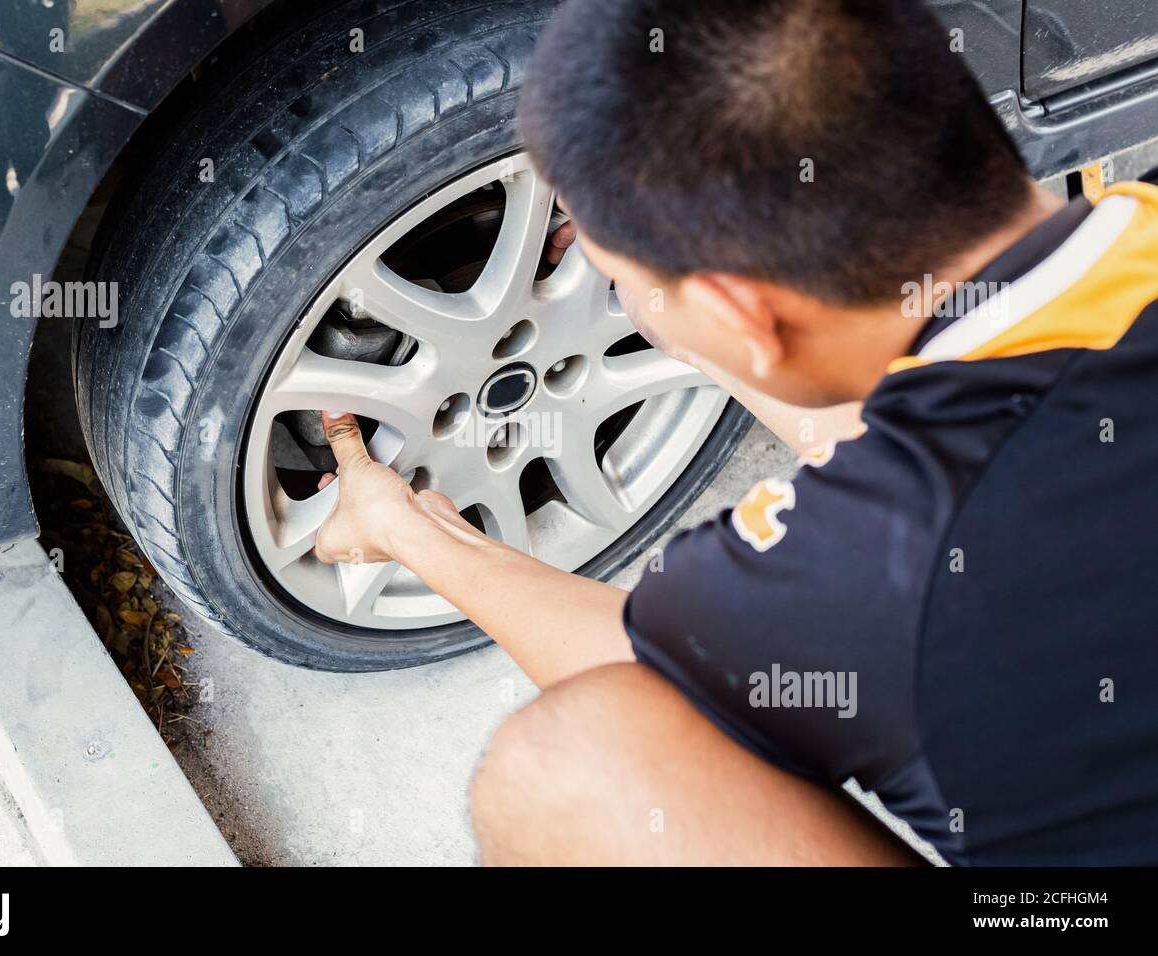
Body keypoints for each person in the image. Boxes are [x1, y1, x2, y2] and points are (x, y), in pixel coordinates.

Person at [313, 0, 1158, 865]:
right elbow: (954, 457)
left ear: (737, 309)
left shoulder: (855, 582)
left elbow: (641, 699)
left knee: (564, 771)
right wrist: (709, 328)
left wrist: (404, 529)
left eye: (616, 278)